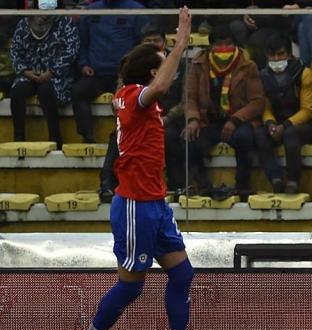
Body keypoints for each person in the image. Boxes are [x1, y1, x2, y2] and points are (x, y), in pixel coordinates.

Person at [67, 7, 220, 330]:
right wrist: (182, 42)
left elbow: (162, 92)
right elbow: (164, 86)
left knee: (182, 274)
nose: (165, 65)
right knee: (132, 285)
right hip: (135, 206)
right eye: (161, 62)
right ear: (151, 73)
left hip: (154, 204)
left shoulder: (138, 101)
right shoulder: (133, 97)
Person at [99, 24, 188, 202]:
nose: (168, 71)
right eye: (164, 65)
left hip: (154, 195)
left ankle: (177, 184)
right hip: (138, 198)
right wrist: (180, 47)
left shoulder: (132, 92)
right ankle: (107, 183)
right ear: (154, 72)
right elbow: (160, 87)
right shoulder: (134, 95)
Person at [183, 24, 265, 199]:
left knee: (244, 138)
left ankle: (242, 185)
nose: (223, 49)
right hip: (209, 119)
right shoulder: (198, 64)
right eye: (219, 44)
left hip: (238, 120)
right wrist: (193, 119)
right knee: (190, 140)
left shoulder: (248, 65)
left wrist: (235, 120)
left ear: (235, 45)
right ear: (210, 46)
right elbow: (189, 97)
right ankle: (203, 185)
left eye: (228, 44)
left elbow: (257, 102)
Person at [72, 0, 149, 144]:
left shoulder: (137, 11)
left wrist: (131, 68)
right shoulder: (91, 11)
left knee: (127, 100)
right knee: (78, 92)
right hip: (96, 74)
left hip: (124, 76)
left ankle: (123, 136)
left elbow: (143, 46)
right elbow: (82, 42)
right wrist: (84, 64)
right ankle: (87, 137)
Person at [255, 33, 312, 193]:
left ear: (289, 54)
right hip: (277, 123)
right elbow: (266, 106)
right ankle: (275, 179)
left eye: (280, 54)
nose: (276, 59)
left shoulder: (303, 73)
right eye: (272, 55)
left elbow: (307, 111)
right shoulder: (263, 76)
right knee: (260, 134)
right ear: (266, 56)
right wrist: (270, 123)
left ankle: (293, 181)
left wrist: (285, 125)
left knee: (290, 134)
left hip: (305, 125)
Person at [9, 5, 79, 148]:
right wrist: (26, 71)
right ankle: (18, 138)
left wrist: (51, 71)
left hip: (57, 76)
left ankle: (55, 139)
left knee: (45, 90)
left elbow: (71, 50)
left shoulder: (66, 22)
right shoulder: (24, 24)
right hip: (30, 74)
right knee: (17, 91)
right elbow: (15, 51)